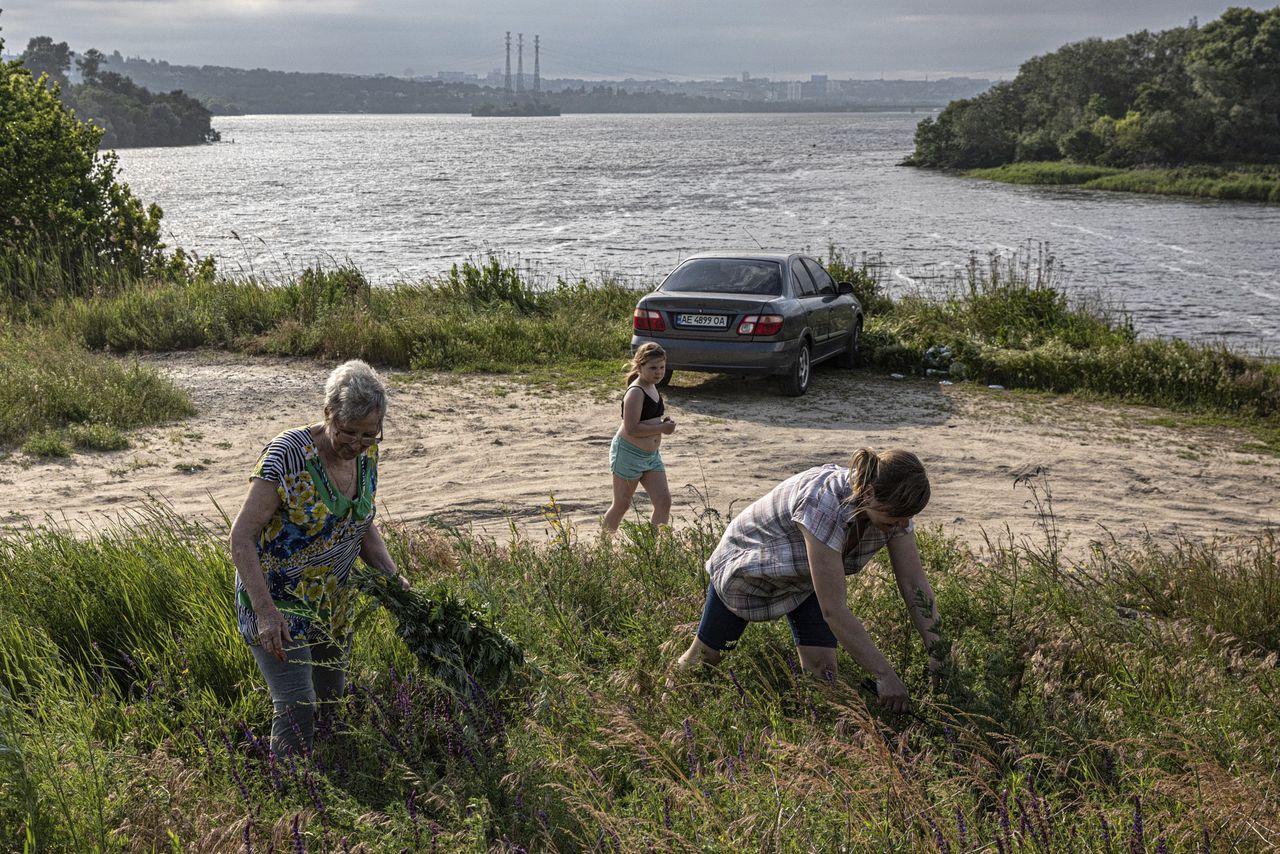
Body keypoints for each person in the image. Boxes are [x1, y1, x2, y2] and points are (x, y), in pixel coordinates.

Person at [229, 359, 410, 755]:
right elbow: (241, 538)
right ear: (328, 414)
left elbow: (360, 521)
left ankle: (327, 780)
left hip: (331, 602)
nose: (358, 445)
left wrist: (392, 577)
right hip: (277, 603)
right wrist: (265, 612)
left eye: (370, 435)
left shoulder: (365, 456)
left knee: (331, 699)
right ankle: (287, 792)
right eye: (349, 432)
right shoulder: (288, 457)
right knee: (297, 703)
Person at [676, 448, 940, 713]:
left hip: (805, 578)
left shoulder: (892, 513)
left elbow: (914, 585)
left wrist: (938, 652)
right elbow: (833, 610)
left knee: (823, 673)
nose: (902, 524)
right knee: (706, 658)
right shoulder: (823, 503)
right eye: (897, 516)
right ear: (869, 494)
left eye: (907, 517)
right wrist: (884, 675)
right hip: (748, 567)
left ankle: (815, 735)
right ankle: (665, 699)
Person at [603, 343, 677, 533]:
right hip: (628, 454)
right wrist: (662, 427)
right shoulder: (636, 392)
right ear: (640, 366)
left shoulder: (652, 386)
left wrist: (663, 422)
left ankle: (652, 551)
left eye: (662, 367)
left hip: (651, 457)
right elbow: (631, 427)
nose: (658, 372)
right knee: (622, 505)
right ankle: (602, 550)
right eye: (653, 368)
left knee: (664, 502)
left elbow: (648, 418)